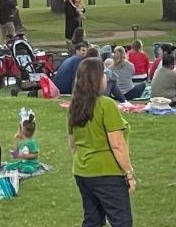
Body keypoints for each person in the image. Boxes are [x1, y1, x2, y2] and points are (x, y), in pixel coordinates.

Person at [67, 57, 134, 227]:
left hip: (82, 171)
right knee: (122, 221)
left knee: (93, 220)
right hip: (106, 173)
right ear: (97, 78)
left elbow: (72, 143)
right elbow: (117, 145)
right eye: (104, 74)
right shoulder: (106, 105)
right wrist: (129, 173)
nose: (106, 77)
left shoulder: (74, 106)